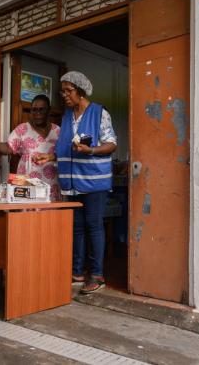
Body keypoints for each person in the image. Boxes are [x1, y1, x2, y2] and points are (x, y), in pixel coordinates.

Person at [34, 71, 117, 294]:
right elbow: (65, 147)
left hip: (94, 183)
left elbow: (111, 144)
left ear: (80, 91)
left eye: (68, 91)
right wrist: (49, 157)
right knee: (77, 228)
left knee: (94, 226)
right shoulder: (67, 116)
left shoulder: (99, 113)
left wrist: (91, 149)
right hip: (71, 182)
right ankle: (77, 271)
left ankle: (97, 274)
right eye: (62, 91)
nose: (64, 95)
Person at [0, 94, 61, 201]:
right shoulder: (23, 129)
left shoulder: (58, 131)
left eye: (42, 110)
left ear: (49, 111)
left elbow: (64, 154)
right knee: (28, 214)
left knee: (49, 215)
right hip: (28, 183)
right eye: (34, 110)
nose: (37, 114)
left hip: (51, 184)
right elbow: (7, 148)